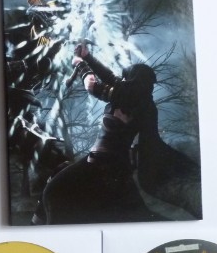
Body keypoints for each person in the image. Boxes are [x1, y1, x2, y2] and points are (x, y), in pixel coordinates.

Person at [34, 44, 201, 224]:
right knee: (55, 183)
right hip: (105, 163)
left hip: (105, 165)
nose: (121, 79)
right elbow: (111, 78)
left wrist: (80, 65)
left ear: (133, 79)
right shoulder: (141, 100)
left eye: (125, 77)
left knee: (55, 190)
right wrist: (88, 57)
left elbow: (91, 85)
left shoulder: (128, 96)